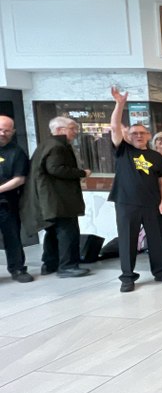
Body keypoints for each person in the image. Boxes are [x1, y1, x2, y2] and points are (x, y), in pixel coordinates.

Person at [108, 86, 162, 292]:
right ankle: (127, 277)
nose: (138, 136)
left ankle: (161, 272)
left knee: (157, 239)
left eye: (142, 133)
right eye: (134, 133)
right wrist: (119, 104)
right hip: (126, 202)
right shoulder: (123, 150)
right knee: (127, 241)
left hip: (152, 204)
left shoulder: (156, 156)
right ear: (128, 136)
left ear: (148, 135)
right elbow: (114, 127)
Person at [22, 116, 92, 278]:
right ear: (60, 130)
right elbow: (55, 168)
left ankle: (50, 264)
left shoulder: (46, 144)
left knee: (53, 232)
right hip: (59, 199)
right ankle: (68, 266)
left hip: (49, 200)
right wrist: (82, 173)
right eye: (72, 128)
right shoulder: (57, 146)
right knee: (68, 232)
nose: (75, 132)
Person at [0, 115, 32, 283]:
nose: (2, 133)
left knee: (12, 237)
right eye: (0, 129)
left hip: (7, 203)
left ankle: (18, 269)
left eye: (6, 130)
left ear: (12, 132)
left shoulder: (17, 152)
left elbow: (19, 179)